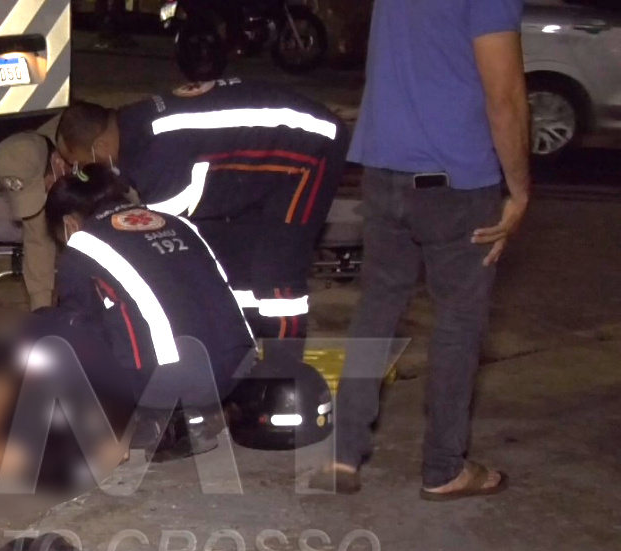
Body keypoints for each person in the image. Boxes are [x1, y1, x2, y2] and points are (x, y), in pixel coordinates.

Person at [315, 0, 528, 499]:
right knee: (458, 319)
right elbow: (506, 95)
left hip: (383, 169)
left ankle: (343, 456)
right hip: (455, 182)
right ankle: (443, 467)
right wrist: (519, 191)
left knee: (378, 307)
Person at [53, 82, 349, 364]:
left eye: (78, 163)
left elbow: (168, 240)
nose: (79, 171)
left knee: (277, 272)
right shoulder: (134, 127)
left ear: (101, 145)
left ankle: (285, 374)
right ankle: (241, 353)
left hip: (311, 149)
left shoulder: (155, 159)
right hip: (268, 163)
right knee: (233, 260)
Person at [44, 163, 257, 454]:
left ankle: (112, 430)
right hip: (236, 368)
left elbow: (77, 325)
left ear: (69, 224)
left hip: (170, 380)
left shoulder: (83, 243)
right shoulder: (178, 222)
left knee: (50, 329)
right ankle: (192, 414)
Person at [0, 118, 71, 310]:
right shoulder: (31, 166)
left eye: (44, 187)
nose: (42, 198)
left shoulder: (86, 145)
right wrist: (41, 313)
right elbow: (38, 243)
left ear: (58, 162)